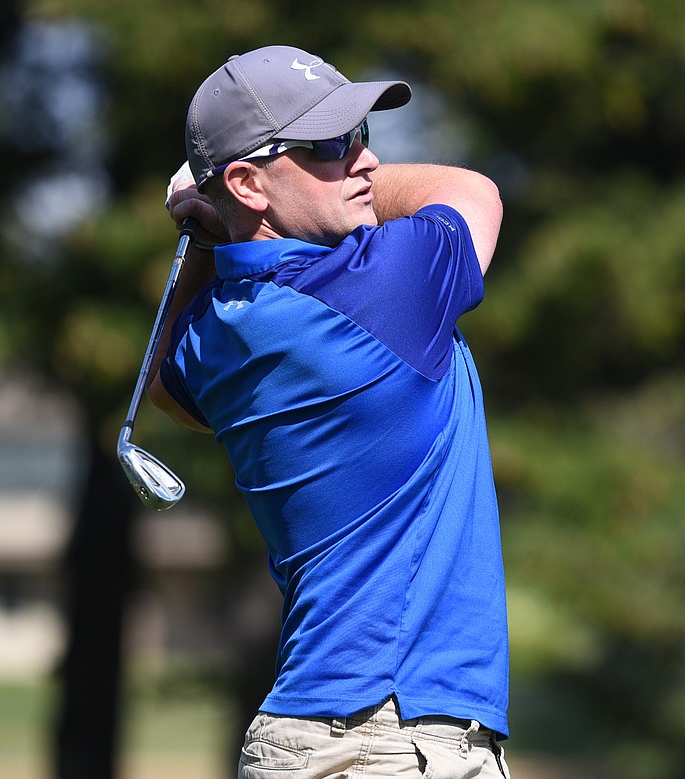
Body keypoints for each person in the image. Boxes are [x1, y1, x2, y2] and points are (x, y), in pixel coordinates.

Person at [149, 44, 509, 779]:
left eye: (362, 137)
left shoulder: (215, 330)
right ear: (250, 180)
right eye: (329, 146)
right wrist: (212, 204)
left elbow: (163, 388)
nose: (368, 162)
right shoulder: (384, 287)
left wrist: (209, 221)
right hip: (394, 737)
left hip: (307, 740)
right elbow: (473, 191)